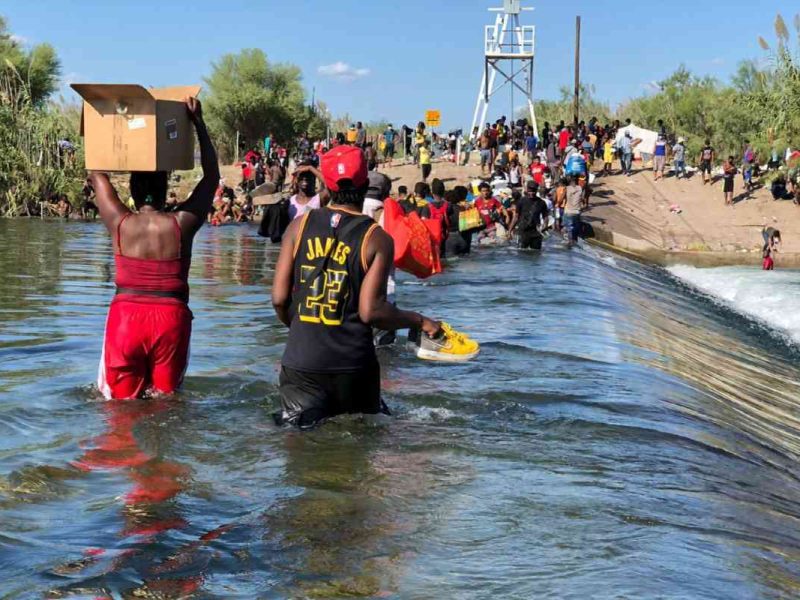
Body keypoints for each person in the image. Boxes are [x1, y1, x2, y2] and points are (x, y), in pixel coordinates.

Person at [270, 145, 448, 428]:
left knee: (298, 454)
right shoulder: (377, 238)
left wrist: (304, 328)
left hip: (302, 364)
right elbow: (371, 311)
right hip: (353, 366)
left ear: (326, 184)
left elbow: (279, 298)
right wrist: (419, 320)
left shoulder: (298, 226)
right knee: (361, 450)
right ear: (365, 184)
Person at [91, 97, 219, 399]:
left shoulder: (119, 222)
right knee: (167, 406)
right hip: (170, 320)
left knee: (119, 410)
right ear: (165, 190)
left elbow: (96, 171)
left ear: (133, 192)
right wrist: (197, 121)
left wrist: (105, 123)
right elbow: (211, 176)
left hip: (126, 320)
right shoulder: (182, 223)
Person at [512, 181, 549, 250]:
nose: (531, 193)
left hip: (536, 232)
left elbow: (545, 216)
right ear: (527, 190)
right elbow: (516, 216)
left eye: (534, 191)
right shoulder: (521, 201)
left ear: (537, 190)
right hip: (523, 231)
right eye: (530, 191)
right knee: (521, 252)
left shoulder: (541, 202)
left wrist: (545, 225)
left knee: (536, 253)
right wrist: (510, 230)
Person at [428, 179, 450, 257]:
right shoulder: (448, 205)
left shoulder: (427, 206)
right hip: (444, 237)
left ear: (432, 192)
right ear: (443, 191)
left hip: (433, 239)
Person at [564, 176, 583, 246]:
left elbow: (563, 198)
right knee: (576, 228)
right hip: (577, 212)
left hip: (568, 211)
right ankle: (575, 242)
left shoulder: (567, 188)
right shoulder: (580, 188)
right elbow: (582, 199)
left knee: (569, 229)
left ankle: (570, 243)